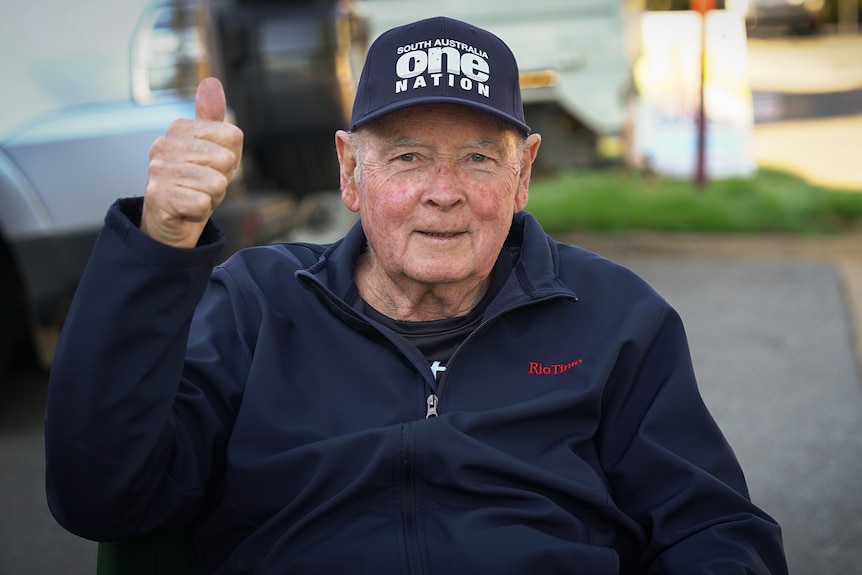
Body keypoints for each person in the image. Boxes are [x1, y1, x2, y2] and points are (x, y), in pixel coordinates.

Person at [45, 16, 788, 574]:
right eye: (407, 157)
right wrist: (159, 242)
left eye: (476, 158)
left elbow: (715, 530)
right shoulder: (256, 305)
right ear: (350, 170)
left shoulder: (616, 317)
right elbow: (100, 494)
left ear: (523, 173)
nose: (443, 194)